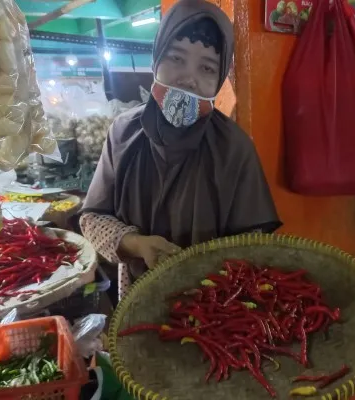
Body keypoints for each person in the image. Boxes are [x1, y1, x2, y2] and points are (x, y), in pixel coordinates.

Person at [79, 0, 281, 300]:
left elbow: (254, 241)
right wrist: (137, 244)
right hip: (139, 297)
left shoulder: (234, 148)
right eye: (176, 58)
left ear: (220, 79)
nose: (189, 77)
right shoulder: (123, 133)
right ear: (156, 59)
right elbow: (93, 218)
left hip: (213, 306)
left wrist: (204, 273)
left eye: (207, 68)